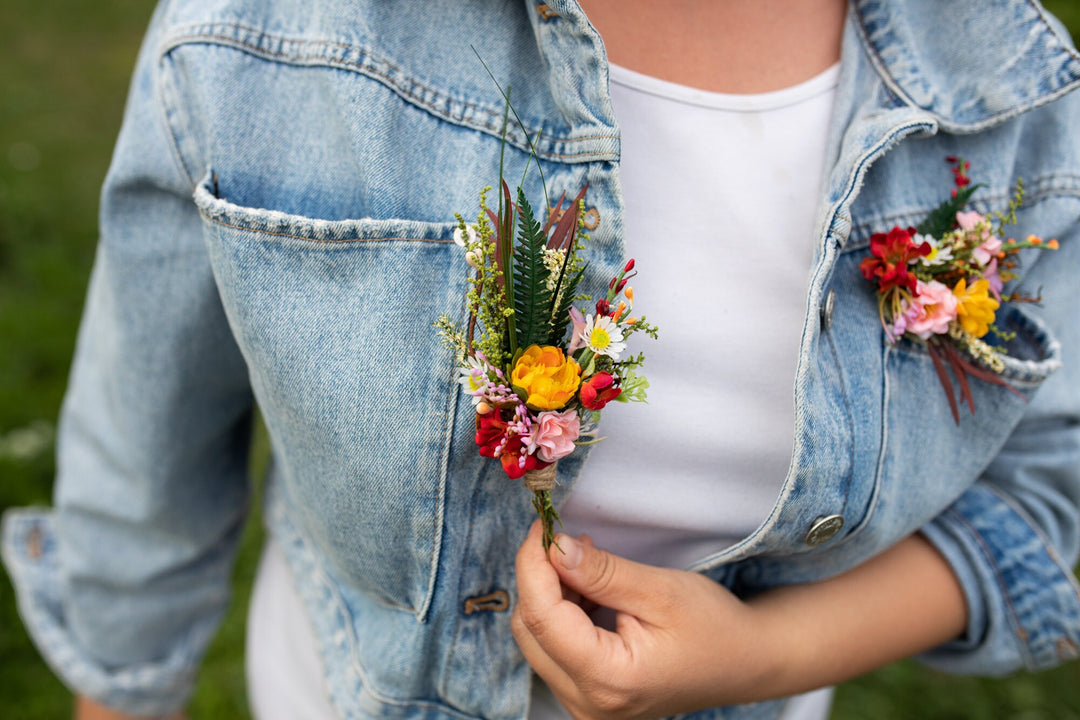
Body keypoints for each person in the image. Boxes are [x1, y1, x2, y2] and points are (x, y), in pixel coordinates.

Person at [4, 1, 1080, 719]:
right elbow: (144, 457)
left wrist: (772, 657)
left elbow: (1048, 492)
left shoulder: (1009, 93)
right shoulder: (265, 36)